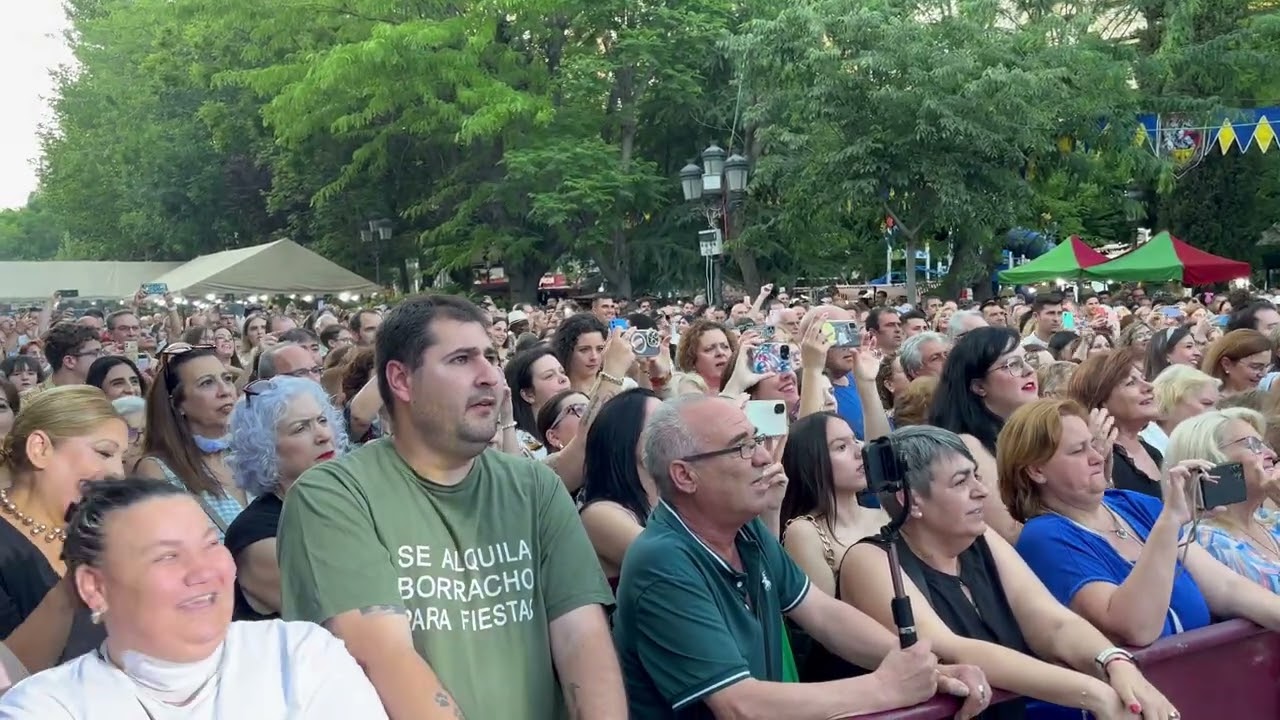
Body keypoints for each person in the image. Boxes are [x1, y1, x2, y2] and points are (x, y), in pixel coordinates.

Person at [277, 294, 624, 720]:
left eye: (491, 357)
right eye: (461, 359)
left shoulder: (535, 487)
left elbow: (581, 640)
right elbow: (384, 659)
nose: (490, 377)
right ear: (401, 381)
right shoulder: (333, 496)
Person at [613, 394, 989, 719]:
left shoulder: (744, 529)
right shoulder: (662, 561)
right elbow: (739, 705)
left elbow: (823, 614)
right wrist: (883, 688)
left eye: (757, 439)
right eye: (742, 446)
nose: (764, 456)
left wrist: (931, 669)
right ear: (684, 476)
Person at [841, 426, 1176, 720]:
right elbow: (951, 649)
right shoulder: (870, 559)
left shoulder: (982, 538)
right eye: (961, 482)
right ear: (910, 499)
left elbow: (1053, 623)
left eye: (977, 475)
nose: (982, 491)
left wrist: (1115, 663)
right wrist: (1094, 692)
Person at [0, 477, 388, 719]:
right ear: (95, 587)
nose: (204, 571)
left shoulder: (299, 654)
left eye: (211, 545)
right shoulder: (46, 706)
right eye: (167, 556)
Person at [1004, 399, 1280, 648]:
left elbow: (1227, 588)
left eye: (1093, 444)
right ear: (1037, 470)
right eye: (1078, 451)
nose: (1098, 457)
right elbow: (1137, 628)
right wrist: (1170, 521)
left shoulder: (1135, 504)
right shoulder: (1044, 537)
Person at [0, 386, 127, 680]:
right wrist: (73, 588)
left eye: (121, 457)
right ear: (40, 449)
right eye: (104, 452)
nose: (118, 473)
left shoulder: (99, 532)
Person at [224, 378, 346, 621]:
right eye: (301, 428)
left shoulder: (346, 503)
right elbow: (338, 615)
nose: (322, 435)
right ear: (265, 449)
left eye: (322, 420)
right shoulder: (255, 536)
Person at [1166, 408, 1280, 592]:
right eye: (1252, 444)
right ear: (1209, 459)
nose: (1272, 455)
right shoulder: (1206, 541)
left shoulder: (1272, 521)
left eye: (1265, 444)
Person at [135, 343, 245, 535]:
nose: (225, 391)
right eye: (207, 383)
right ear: (178, 404)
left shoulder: (249, 452)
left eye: (227, 379)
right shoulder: (159, 470)